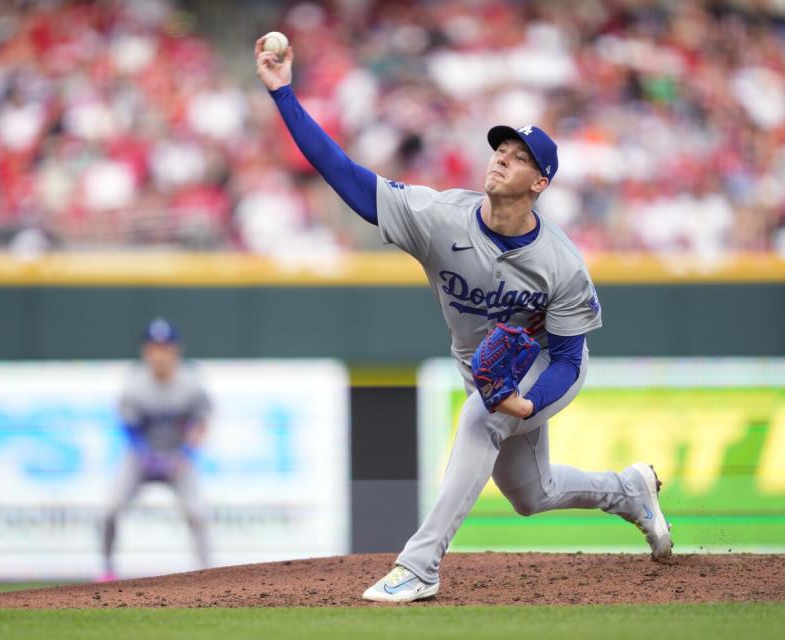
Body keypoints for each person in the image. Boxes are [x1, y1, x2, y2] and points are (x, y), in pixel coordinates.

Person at [255, 38, 672, 603]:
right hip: (483, 368)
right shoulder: (436, 217)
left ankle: (421, 564)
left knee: (482, 419)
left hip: (547, 365)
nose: (502, 156)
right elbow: (343, 172)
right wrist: (283, 94)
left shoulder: (561, 264)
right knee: (532, 493)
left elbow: (571, 358)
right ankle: (628, 492)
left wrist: (525, 402)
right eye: (500, 148)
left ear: (539, 183)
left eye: (519, 156)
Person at [99, 318, 212, 582]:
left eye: (165, 347)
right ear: (145, 351)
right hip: (140, 458)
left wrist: (186, 454)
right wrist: (145, 453)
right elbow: (128, 428)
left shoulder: (190, 384)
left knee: (198, 513)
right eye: (154, 348)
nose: (160, 354)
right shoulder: (135, 385)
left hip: (177, 456)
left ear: (176, 351)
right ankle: (106, 571)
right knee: (109, 511)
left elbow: (201, 423)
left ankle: (209, 575)